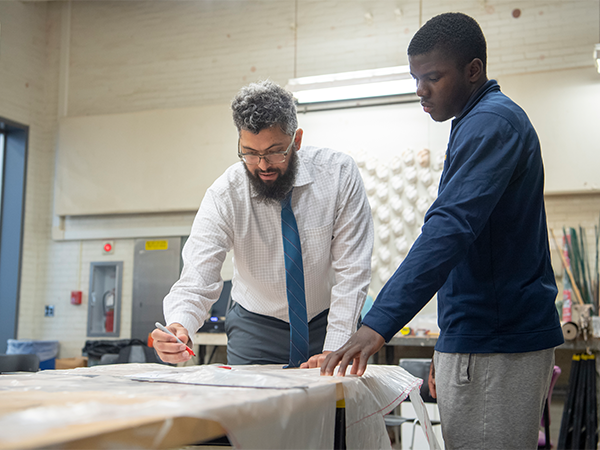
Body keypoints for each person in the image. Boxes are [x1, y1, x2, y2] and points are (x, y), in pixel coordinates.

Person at [322, 12, 564, 449]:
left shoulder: (493, 123)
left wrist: (376, 325)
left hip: (497, 343)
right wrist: (449, 343)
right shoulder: (474, 122)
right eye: (415, 77)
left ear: (473, 70)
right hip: (480, 337)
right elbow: (473, 247)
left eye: (432, 77)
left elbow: (451, 229)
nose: (420, 90)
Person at [152, 80, 374, 368]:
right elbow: (197, 277)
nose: (263, 165)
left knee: (333, 406)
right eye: (250, 153)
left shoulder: (339, 175)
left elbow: (352, 272)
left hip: (328, 320)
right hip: (256, 327)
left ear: (297, 140)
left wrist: (335, 348)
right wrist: (180, 325)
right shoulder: (225, 195)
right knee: (253, 409)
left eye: (274, 151)